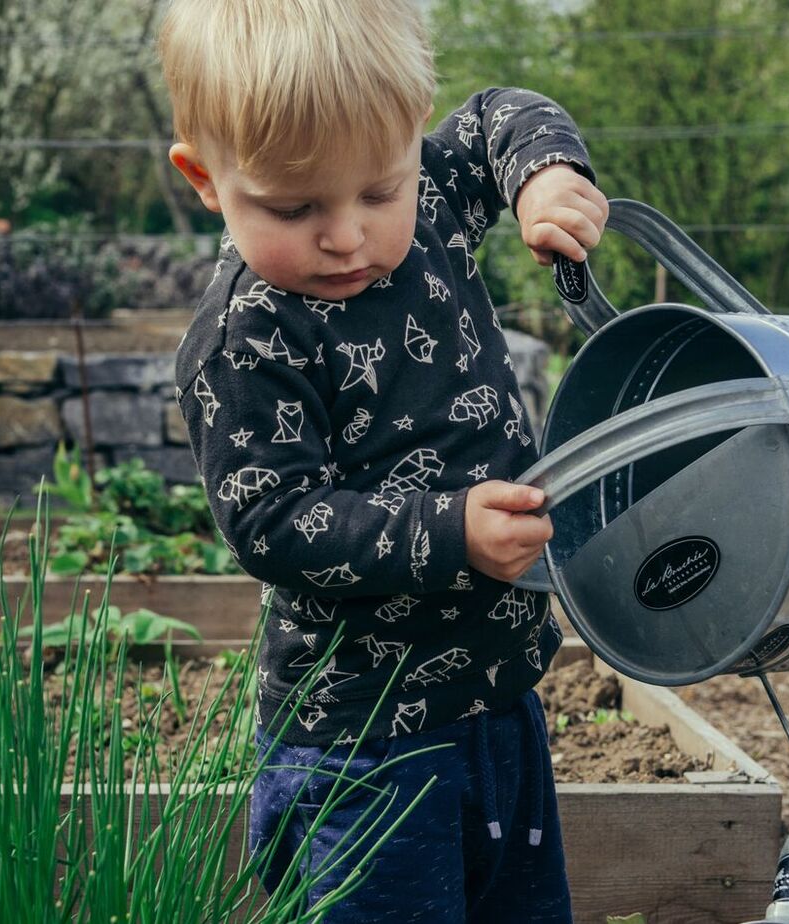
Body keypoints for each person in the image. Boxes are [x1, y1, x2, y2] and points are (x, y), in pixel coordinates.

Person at [161, 0, 607, 920]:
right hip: (363, 746)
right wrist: (450, 533)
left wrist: (544, 176)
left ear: (409, 145)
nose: (346, 235)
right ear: (206, 179)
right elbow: (271, 519)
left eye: (379, 191)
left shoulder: (433, 194)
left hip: (501, 698)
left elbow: (496, 118)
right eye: (294, 206)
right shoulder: (247, 339)